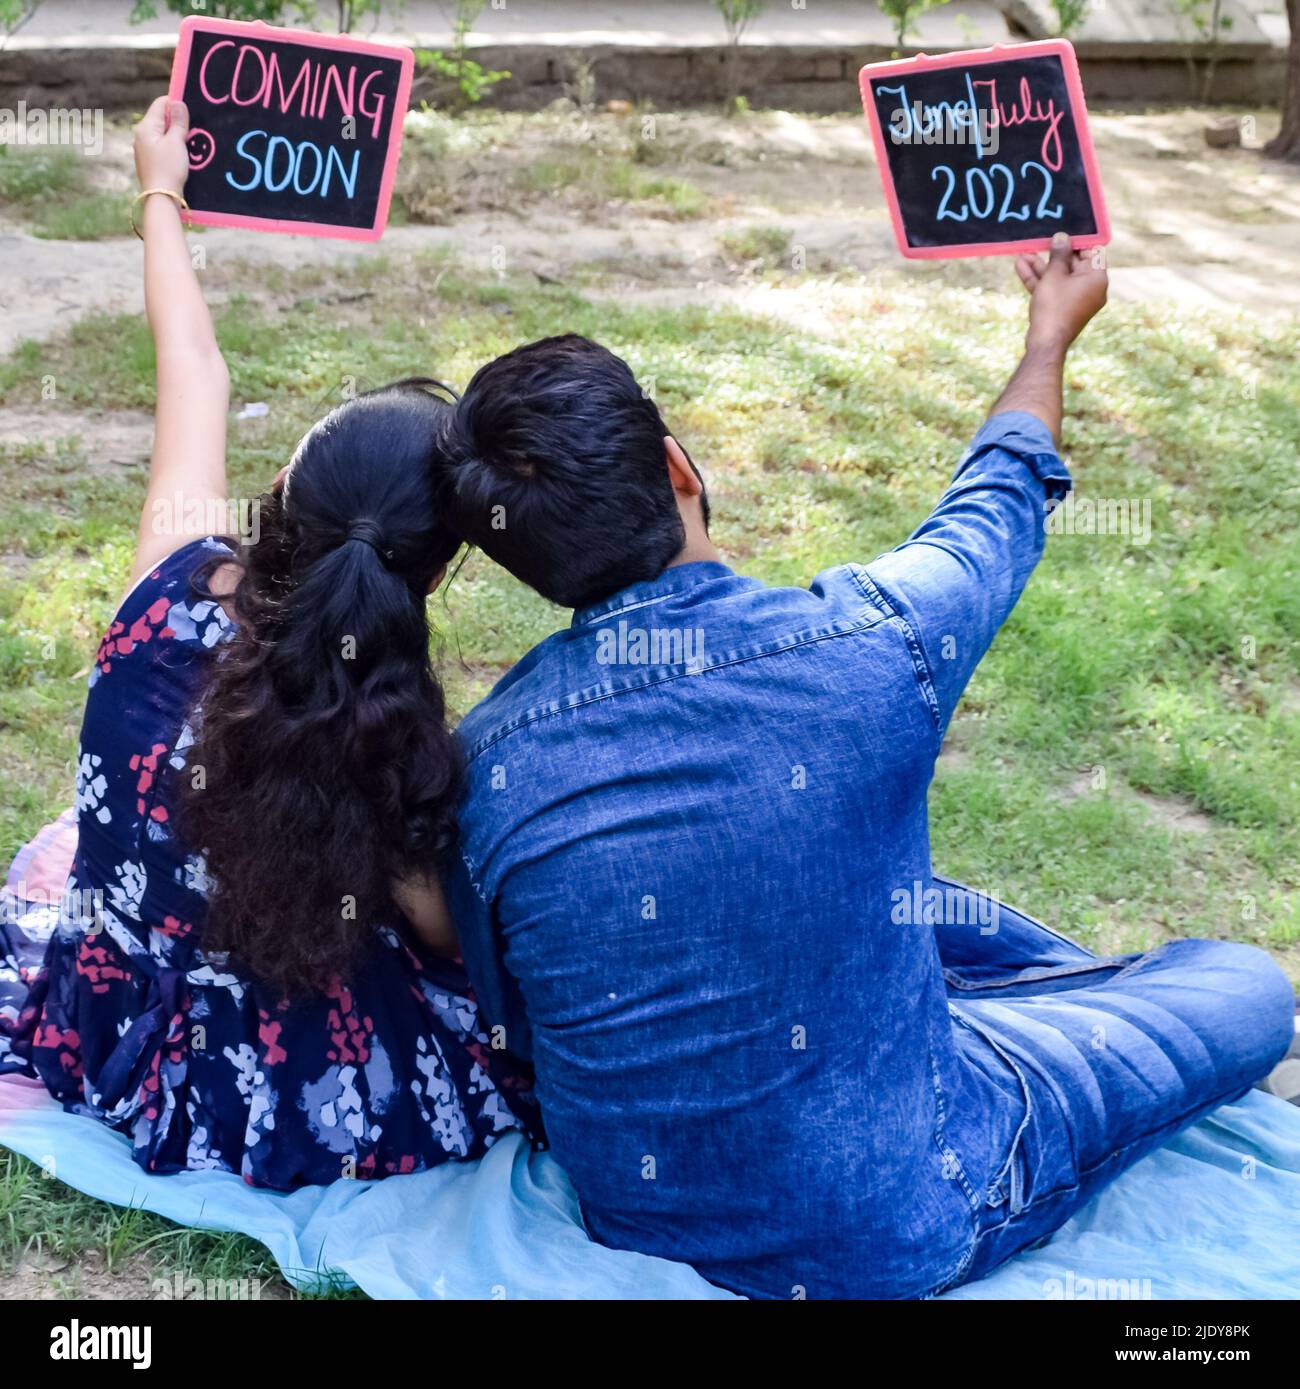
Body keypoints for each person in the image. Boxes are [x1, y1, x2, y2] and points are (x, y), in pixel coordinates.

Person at [435, 236, 1295, 1298]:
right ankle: (1037, 1011)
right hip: (908, 1215)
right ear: (678, 469)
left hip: (638, 1220)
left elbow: (515, 1016)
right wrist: (1049, 334)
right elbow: (997, 501)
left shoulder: (481, 761)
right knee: (1244, 988)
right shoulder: (867, 650)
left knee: (881, 900)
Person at [0, 97, 536, 1186]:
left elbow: (193, 369)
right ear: (435, 574)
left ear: (283, 490)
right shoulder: (384, 723)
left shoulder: (164, 582)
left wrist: (160, 189)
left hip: (115, 1036)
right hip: (291, 1095)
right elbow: (439, 936)